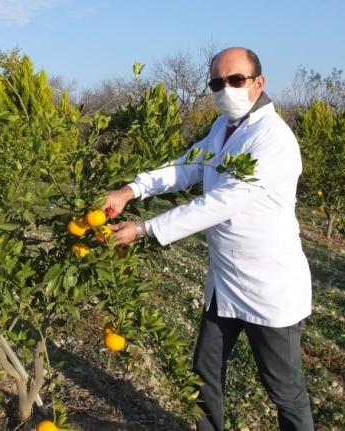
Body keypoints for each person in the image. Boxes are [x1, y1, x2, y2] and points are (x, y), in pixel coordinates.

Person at [102, 47, 314, 431]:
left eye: (235, 80)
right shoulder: (223, 128)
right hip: (226, 282)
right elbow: (186, 168)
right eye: (217, 82)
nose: (225, 89)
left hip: (270, 286)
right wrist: (130, 190)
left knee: (284, 390)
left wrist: (146, 228)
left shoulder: (273, 140)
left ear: (258, 83)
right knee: (204, 373)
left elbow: (220, 203)